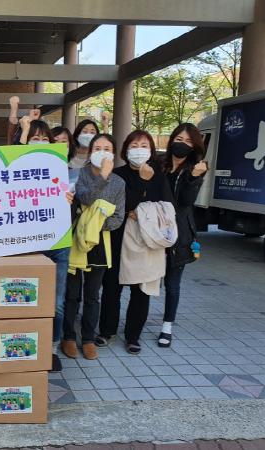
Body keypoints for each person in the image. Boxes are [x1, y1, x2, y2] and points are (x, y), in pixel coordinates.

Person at [96, 130, 174, 355]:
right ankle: (107, 330)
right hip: (117, 238)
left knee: (141, 291)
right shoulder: (117, 174)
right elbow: (121, 204)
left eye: (144, 145)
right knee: (111, 288)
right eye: (134, 145)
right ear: (126, 149)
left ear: (151, 150)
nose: (139, 150)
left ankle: (133, 336)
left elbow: (166, 207)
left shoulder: (159, 176)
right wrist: (142, 185)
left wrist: (138, 207)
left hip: (146, 242)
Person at [18, 115, 75, 372]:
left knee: (56, 302)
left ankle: (51, 348)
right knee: (25, 299)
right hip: (27, 245)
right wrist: (23, 132)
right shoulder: (16, 169)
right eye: (34, 138)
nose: (39, 143)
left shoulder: (60, 170)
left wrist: (68, 200)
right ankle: (24, 344)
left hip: (58, 243)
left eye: (44, 139)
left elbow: (68, 207)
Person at [62, 134, 125, 360]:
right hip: (76, 241)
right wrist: (103, 177)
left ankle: (88, 338)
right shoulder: (79, 175)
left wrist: (95, 223)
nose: (102, 152)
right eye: (97, 148)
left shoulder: (119, 183)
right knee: (72, 294)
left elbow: (118, 217)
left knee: (92, 295)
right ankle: (68, 336)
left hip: (99, 243)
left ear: (113, 153)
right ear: (90, 152)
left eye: (107, 148)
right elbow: (86, 198)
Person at [159, 124, 208, 347]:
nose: (183, 144)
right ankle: (135, 323)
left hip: (180, 234)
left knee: (172, 283)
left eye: (189, 141)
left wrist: (194, 177)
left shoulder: (194, 169)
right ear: (171, 140)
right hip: (153, 230)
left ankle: (167, 326)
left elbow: (186, 201)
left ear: (195, 146)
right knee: (143, 279)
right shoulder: (159, 163)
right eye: (179, 139)